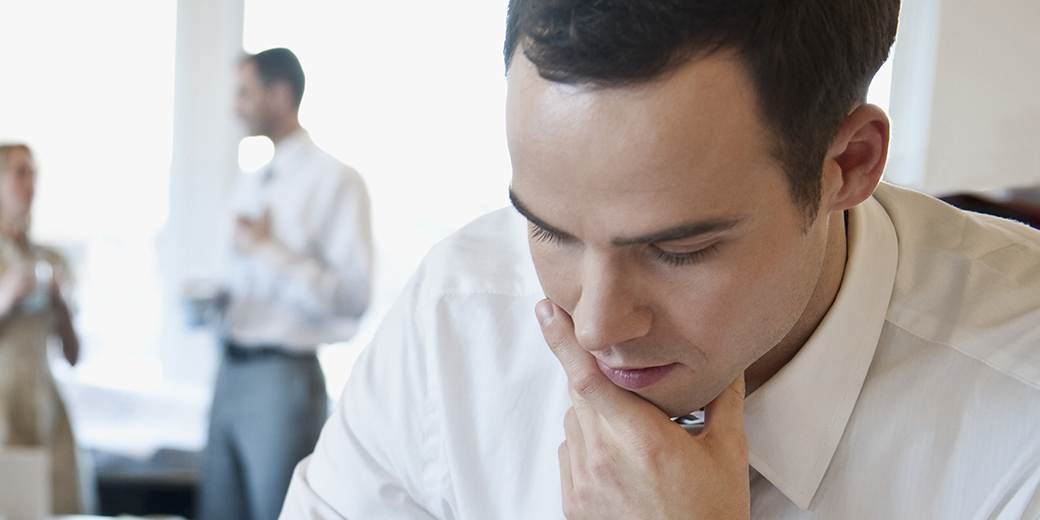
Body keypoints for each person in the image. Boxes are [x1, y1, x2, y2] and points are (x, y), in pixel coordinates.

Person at [281, 1, 1040, 519]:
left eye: (680, 250)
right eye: (548, 230)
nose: (597, 325)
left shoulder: (1019, 422)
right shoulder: (456, 315)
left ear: (848, 163)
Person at [196, 47, 373, 520]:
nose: (236, 106)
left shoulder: (337, 180)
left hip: (283, 379)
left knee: (282, 513)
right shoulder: (250, 181)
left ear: (279, 94)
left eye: (244, 93)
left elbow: (354, 297)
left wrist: (266, 251)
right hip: (228, 372)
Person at [0, 143, 82, 514]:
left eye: (33, 173)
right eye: (19, 172)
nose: (29, 183)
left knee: (52, 508)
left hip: (45, 407)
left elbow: (74, 355)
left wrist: (63, 307)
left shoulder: (52, 261)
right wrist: (5, 300)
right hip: (3, 406)